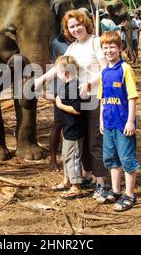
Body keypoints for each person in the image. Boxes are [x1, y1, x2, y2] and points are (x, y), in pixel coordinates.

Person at [35, 9, 109, 198]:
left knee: (95, 141)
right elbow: (59, 67)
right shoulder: (73, 47)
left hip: (94, 97)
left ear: (85, 23)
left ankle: (101, 183)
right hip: (78, 98)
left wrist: (90, 83)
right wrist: (41, 79)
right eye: (72, 27)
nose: (76, 29)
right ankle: (87, 176)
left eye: (78, 24)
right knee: (81, 141)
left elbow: (106, 69)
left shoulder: (96, 42)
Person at [96, 31, 140, 211]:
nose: (108, 50)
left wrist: (131, 121)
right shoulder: (104, 72)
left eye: (112, 47)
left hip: (123, 124)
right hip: (108, 124)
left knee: (127, 160)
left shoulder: (125, 69)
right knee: (112, 159)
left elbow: (132, 97)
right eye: (105, 47)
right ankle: (115, 191)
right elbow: (102, 99)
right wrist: (101, 121)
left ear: (120, 48)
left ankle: (129, 195)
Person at [50, 55, 87, 199]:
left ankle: (76, 186)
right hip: (67, 128)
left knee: (72, 158)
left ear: (65, 73)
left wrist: (60, 105)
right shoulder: (66, 86)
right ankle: (66, 181)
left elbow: (77, 109)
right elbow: (59, 97)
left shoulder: (75, 87)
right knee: (66, 156)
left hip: (74, 129)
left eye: (58, 72)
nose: (57, 75)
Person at [48, 33, 72, 171]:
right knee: (58, 123)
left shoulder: (83, 43)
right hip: (61, 88)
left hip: (78, 88)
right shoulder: (57, 43)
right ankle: (53, 159)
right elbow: (52, 66)